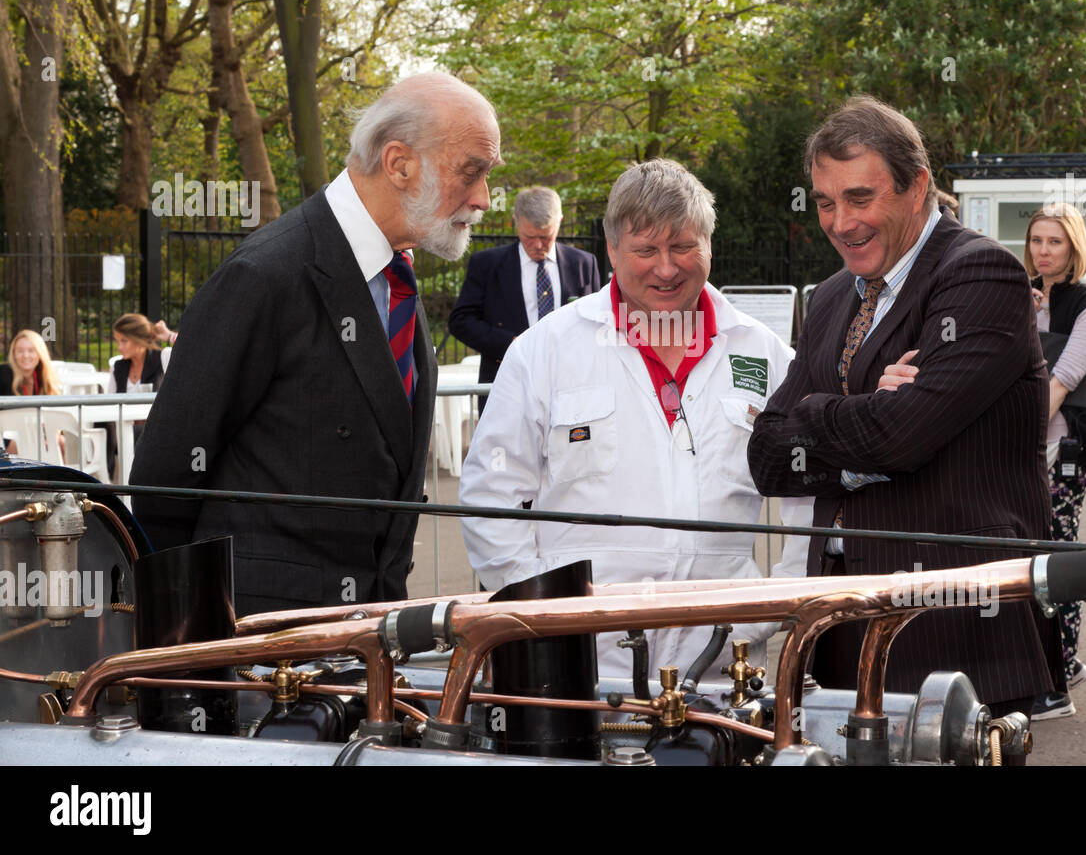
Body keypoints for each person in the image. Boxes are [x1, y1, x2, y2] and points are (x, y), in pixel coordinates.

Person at [131, 72, 502, 616]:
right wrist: (198, 650)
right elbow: (166, 482)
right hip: (266, 653)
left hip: (364, 639)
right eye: (471, 172)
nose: (483, 199)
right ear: (398, 163)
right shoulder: (265, 275)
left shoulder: (394, 275)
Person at [746, 96, 1064, 727]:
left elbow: (900, 438)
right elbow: (766, 457)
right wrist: (852, 410)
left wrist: (815, 413)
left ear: (918, 187)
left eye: (860, 199)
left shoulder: (981, 274)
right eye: (825, 202)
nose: (840, 222)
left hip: (957, 630)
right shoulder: (835, 295)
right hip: (841, 634)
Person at [459, 159, 811, 677]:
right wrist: (544, 610)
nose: (665, 269)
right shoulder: (546, 350)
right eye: (645, 250)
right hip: (580, 667)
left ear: (709, 246)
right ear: (613, 250)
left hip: (722, 669)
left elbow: (809, 497)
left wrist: (775, 607)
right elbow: (491, 495)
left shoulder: (764, 354)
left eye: (684, 247)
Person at [1024, 202, 1086, 719]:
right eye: (1037, 240)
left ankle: (1057, 679)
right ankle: (1060, 663)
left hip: (1063, 448)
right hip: (1024, 446)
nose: (1043, 251)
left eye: (1055, 241)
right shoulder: (1023, 295)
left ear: (1074, 246)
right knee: (1028, 556)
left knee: (1057, 557)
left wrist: (1016, 441)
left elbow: (1061, 380)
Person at [448, 186, 601, 411]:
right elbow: (461, 321)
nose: (538, 246)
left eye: (546, 237)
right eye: (530, 237)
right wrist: (511, 344)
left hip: (570, 389)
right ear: (516, 222)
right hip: (508, 388)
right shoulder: (487, 264)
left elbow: (596, 322)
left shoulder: (583, 263)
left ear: (560, 221)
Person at [1, 330, 64, 456]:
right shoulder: (4, 374)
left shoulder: (45, 378)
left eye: (31, 350)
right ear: (14, 354)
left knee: (60, 442)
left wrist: (50, 437)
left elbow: (55, 417)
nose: (25, 355)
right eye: (20, 351)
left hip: (37, 434)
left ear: (39, 354)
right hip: (6, 437)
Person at [111, 313, 167, 393]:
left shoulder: (163, 360)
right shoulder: (117, 367)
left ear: (139, 339)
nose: (119, 347)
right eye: (117, 341)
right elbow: (110, 402)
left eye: (124, 341)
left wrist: (169, 336)